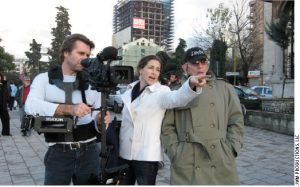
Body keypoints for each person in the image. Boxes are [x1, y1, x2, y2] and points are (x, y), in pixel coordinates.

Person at [25, 33, 110, 185]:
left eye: (88, 55)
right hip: (59, 153)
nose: (85, 58)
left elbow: (98, 120)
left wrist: (100, 121)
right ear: (66, 52)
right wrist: (68, 109)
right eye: (81, 53)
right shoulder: (44, 79)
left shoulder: (93, 82)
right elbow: (30, 105)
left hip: (90, 152)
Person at [161, 47, 244, 185]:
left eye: (203, 61)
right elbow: (167, 128)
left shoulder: (225, 89)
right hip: (187, 159)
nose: (200, 66)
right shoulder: (175, 93)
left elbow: (236, 121)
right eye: (195, 63)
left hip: (219, 157)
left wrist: (231, 148)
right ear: (185, 67)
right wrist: (175, 152)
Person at [118, 55, 207, 185]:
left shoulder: (161, 92)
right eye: (151, 68)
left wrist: (191, 83)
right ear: (140, 70)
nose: (154, 72)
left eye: (158, 69)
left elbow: (177, 98)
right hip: (124, 154)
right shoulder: (129, 90)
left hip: (147, 156)